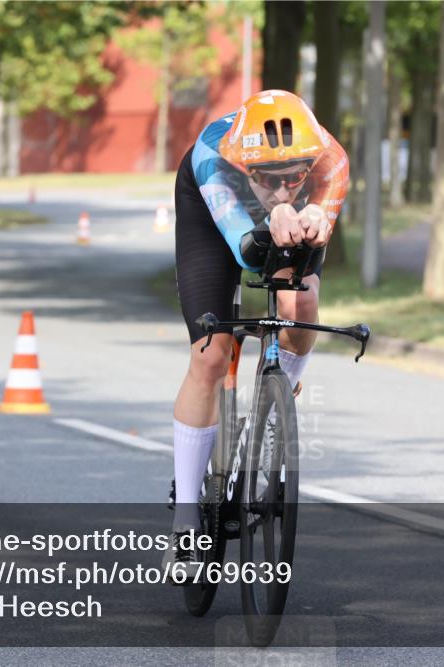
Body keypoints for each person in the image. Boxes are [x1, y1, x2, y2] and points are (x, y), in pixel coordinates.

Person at [163, 90, 349, 577]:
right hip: (213, 218)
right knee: (210, 354)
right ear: (246, 168)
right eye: (268, 178)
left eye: (295, 176)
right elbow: (246, 252)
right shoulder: (213, 156)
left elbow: (313, 237)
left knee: (301, 304)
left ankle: (274, 405)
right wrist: (273, 215)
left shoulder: (330, 159)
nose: (283, 187)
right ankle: (185, 523)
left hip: (280, 223)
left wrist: (316, 215)